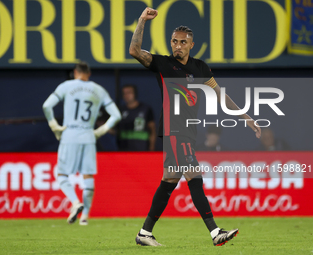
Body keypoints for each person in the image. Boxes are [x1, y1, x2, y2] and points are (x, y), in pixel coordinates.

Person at [129, 7, 261, 246]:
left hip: (187, 131)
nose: (177, 45)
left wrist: (247, 117)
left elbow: (220, 95)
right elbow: (134, 50)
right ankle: (214, 232)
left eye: (182, 42)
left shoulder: (200, 68)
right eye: (174, 41)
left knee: (170, 180)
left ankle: (145, 232)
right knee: (194, 177)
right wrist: (141, 20)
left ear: (191, 44)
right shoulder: (162, 64)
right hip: (173, 130)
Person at [42, 61, 121, 225]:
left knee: (62, 175)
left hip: (70, 133)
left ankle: (75, 202)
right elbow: (116, 115)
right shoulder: (99, 90)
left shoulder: (67, 85)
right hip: (88, 135)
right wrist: (100, 131)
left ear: (75, 72)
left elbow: (47, 106)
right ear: (89, 73)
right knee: (88, 175)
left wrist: (53, 124)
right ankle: (85, 216)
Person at [117, 84, 156, 151]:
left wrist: (151, 147)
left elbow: (152, 130)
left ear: (135, 93)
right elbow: (115, 130)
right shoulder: (120, 110)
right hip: (123, 150)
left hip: (142, 149)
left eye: (129, 92)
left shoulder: (145, 109)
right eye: (124, 93)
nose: (126, 96)